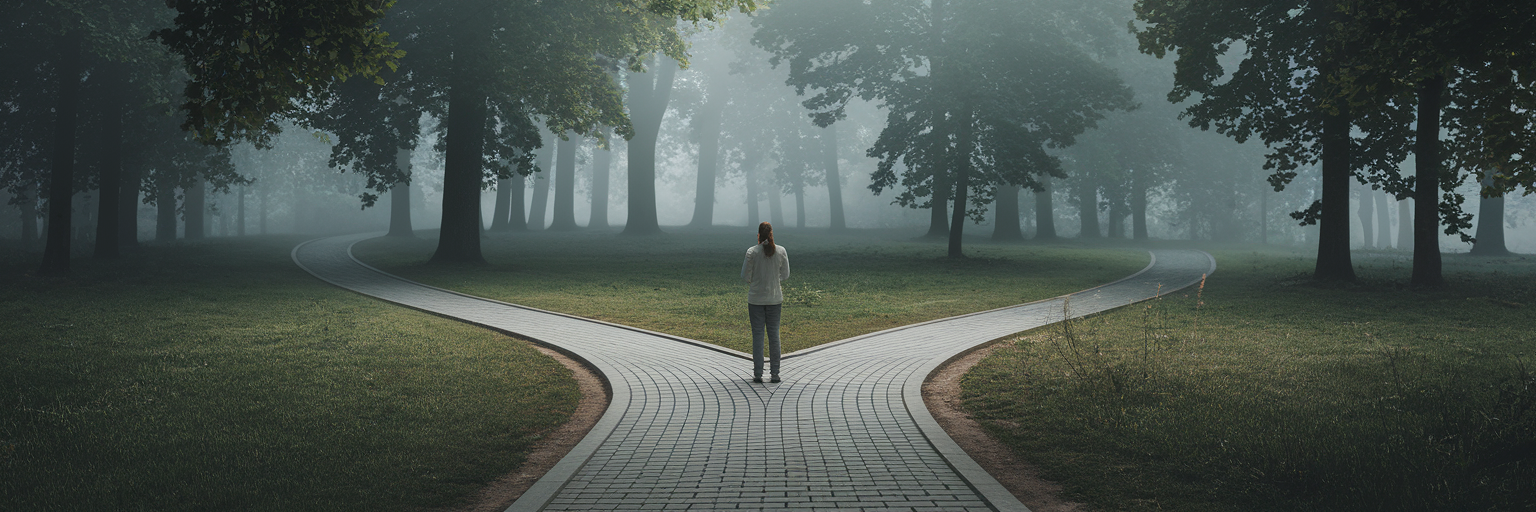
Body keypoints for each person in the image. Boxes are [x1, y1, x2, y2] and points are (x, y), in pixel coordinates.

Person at [741, 221, 789, 383]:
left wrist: (755, 281)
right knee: (774, 335)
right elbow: (786, 274)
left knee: (758, 335)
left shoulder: (752, 252)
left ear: (758, 235)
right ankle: (775, 373)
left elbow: (745, 275)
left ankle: (758, 373)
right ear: (771, 234)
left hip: (755, 299)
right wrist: (774, 280)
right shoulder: (781, 251)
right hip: (775, 299)